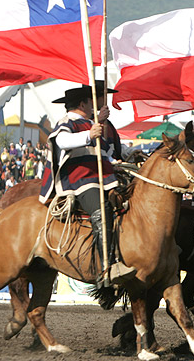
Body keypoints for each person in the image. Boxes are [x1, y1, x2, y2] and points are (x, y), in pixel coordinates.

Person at [39, 85, 134, 288]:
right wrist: (89, 134)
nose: (94, 105)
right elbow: (62, 141)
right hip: (80, 181)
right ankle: (106, 267)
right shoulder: (67, 122)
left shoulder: (94, 124)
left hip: (104, 178)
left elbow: (108, 151)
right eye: (91, 102)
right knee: (102, 211)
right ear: (83, 103)